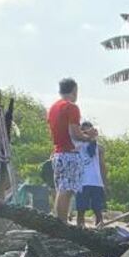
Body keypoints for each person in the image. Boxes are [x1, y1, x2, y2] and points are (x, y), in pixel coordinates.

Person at [47, 78, 96, 221]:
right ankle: (61, 224)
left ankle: (60, 221)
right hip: (69, 154)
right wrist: (89, 136)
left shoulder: (53, 108)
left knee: (61, 189)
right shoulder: (71, 107)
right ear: (74, 90)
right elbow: (74, 133)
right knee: (66, 190)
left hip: (58, 153)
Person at [74, 121, 107, 227]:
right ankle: (79, 230)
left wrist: (105, 182)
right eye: (85, 131)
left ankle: (100, 230)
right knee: (81, 209)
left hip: (96, 181)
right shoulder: (77, 144)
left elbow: (102, 165)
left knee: (98, 210)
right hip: (82, 181)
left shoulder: (99, 147)